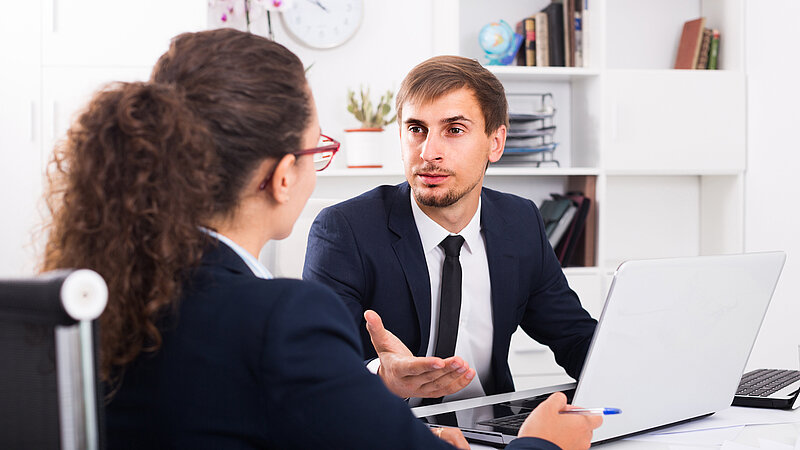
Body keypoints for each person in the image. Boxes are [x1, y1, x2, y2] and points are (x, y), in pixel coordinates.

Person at [40, 30, 600, 449]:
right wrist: (543, 445)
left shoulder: (113, 288)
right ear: (284, 176)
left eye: (453, 130)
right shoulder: (282, 314)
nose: (430, 151)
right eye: (317, 150)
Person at [303, 55, 598, 405]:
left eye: (454, 130)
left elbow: (576, 337)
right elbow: (316, 366)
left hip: (491, 431)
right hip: (391, 430)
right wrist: (383, 378)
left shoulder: (520, 222)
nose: (429, 152)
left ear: (496, 142)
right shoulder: (345, 231)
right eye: (416, 129)